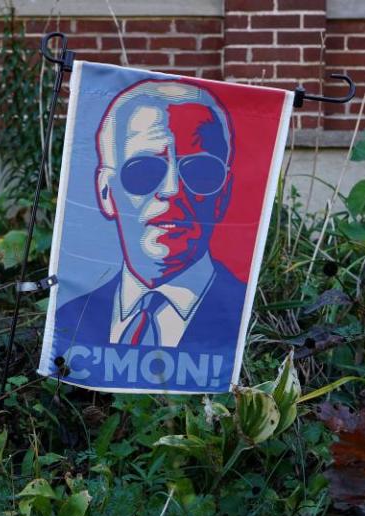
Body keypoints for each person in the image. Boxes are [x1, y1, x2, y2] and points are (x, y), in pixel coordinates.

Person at [53, 79, 246, 351]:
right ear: (106, 192)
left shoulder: (248, 316)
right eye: (144, 170)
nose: (171, 190)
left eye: (200, 170)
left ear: (223, 194)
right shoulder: (68, 320)